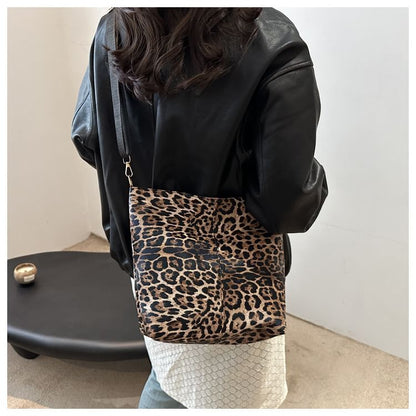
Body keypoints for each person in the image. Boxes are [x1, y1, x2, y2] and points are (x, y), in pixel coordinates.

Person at [71, 7, 328, 409]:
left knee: (169, 373)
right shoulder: (273, 40)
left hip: (150, 258)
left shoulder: (116, 28)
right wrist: (315, 180)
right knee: (228, 396)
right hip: (240, 281)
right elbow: (285, 202)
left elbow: (87, 138)